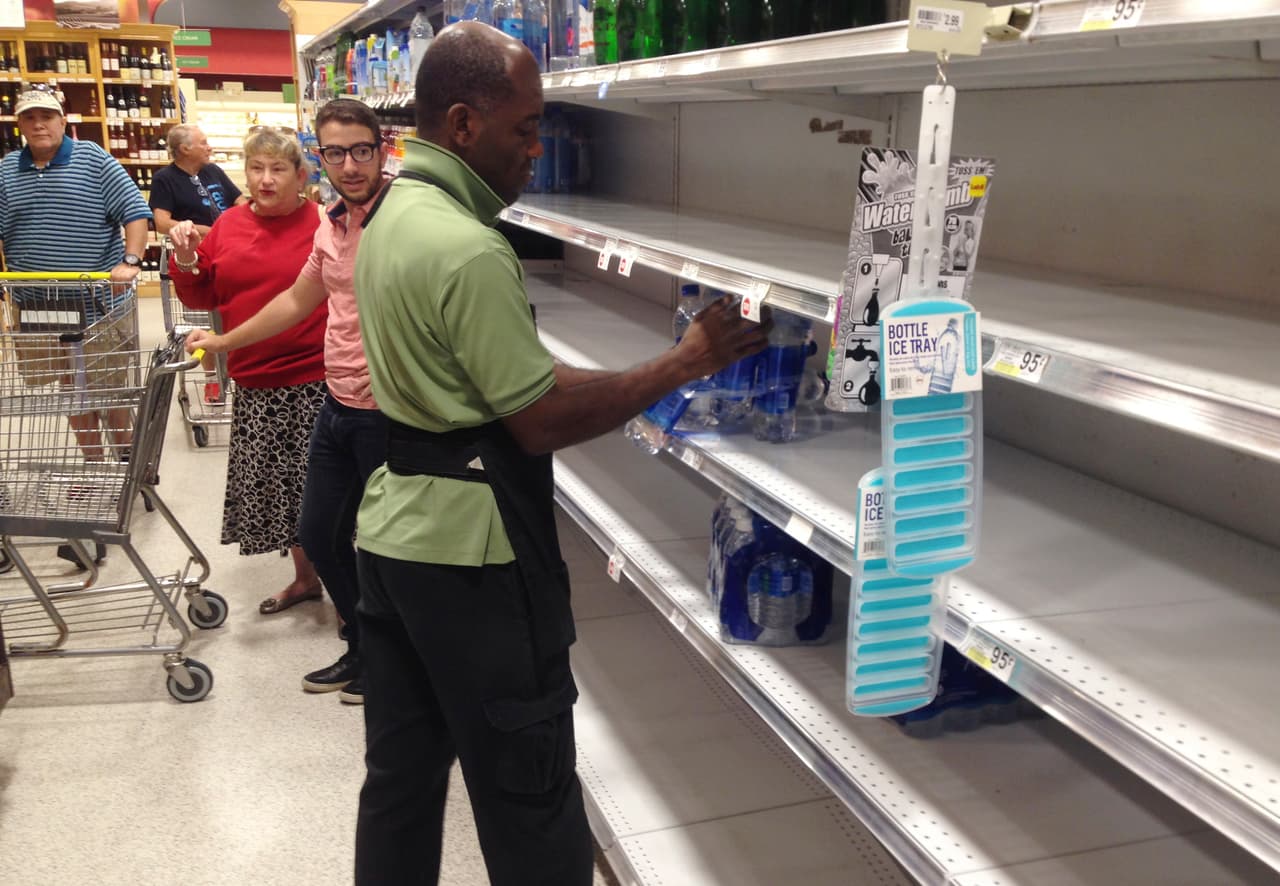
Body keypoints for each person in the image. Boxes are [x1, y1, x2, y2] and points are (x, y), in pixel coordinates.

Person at [351, 23, 769, 886]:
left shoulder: (394, 215)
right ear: (464, 125)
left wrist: (629, 375)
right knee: (528, 792)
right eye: (525, 129)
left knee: (401, 778)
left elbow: (506, 375)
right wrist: (685, 361)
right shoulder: (471, 249)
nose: (537, 150)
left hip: (393, 532)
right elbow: (536, 420)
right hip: (475, 556)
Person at [184, 99, 389, 704]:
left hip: (384, 406)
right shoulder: (332, 222)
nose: (349, 164)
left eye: (361, 150)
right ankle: (366, 644)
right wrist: (221, 339)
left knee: (380, 541)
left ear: (381, 150)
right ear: (320, 160)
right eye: (336, 152)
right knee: (319, 532)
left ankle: (384, 658)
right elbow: (297, 300)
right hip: (338, 399)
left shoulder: (400, 216)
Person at [168, 128, 330, 616]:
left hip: (318, 378)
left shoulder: (323, 223)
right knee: (282, 491)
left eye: (278, 169)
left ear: (301, 176)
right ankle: (305, 579)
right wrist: (185, 258)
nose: (265, 179)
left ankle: (349, 588)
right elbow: (201, 297)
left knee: (328, 494)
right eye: (256, 168)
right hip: (257, 380)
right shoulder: (229, 225)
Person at [0, 84, 152, 566]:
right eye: (29, 118)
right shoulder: (5, 171)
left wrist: (130, 260)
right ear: (18, 125)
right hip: (37, 303)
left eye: (47, 116)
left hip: (98, 300)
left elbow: (134, 213)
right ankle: (95, 464)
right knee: (70, 388)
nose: (39, 125)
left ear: (64, 120)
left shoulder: (94, 161)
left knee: (106, 389)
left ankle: (126, 461)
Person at [150, 123, 245, 405]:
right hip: (196, 255)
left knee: (233, 313)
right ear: (184, 149)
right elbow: (162, 222)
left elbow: (238, 200)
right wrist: (203, 231)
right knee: (203, 319)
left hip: (231, 250)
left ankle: (236, 371)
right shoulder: (165, 179)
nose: (209, 147)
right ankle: (212, 379)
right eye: (203, 142)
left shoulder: (213, 171)